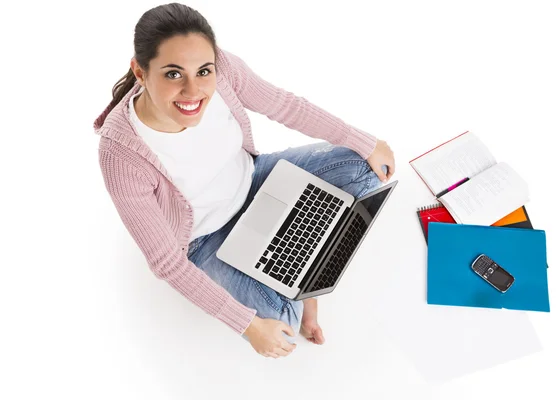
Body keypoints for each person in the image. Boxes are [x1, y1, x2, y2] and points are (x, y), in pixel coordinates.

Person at [93, 2, 395, 358]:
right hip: (208, 241)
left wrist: (366, 142)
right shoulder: (121, 153)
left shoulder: (223, 69)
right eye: (173, 74)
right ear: (140, 73)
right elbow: (166, 262)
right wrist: (248, 326)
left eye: (203, 71)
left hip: (258, 180)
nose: (194, 91)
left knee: (365, 166)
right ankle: (300, 275)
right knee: (283, 322)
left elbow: (285, 106)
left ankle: (299, 272)